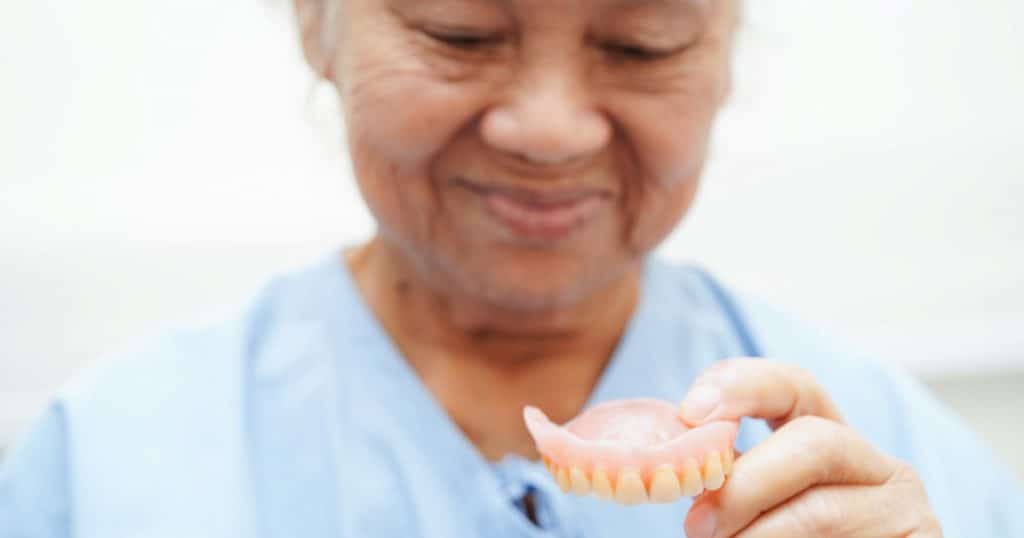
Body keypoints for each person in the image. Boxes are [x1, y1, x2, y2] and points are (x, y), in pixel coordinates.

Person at [2, 1, 1022, 536]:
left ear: (723, 50)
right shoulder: (94, 475)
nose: (548, 128)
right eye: (459, 33)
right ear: (316, 23)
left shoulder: (903, 466)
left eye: (640, 44)